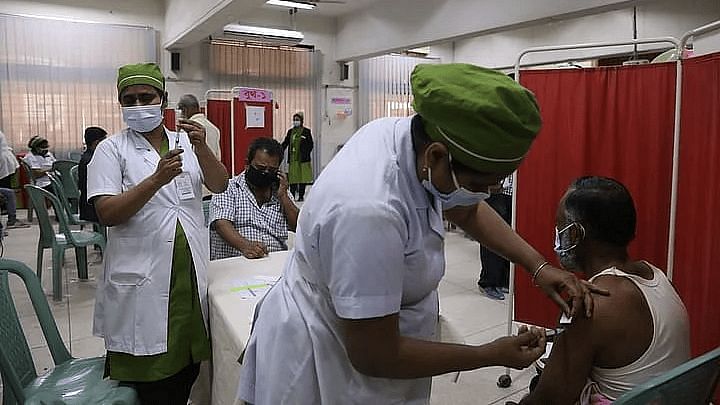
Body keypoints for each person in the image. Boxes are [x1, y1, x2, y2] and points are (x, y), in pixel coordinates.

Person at [238, 63, 604, 404]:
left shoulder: (406, 136)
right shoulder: (368, 211)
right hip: (327, 356)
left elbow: (465, 205)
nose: (488, 193)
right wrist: (489, 354)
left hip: (378, 336)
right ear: (436, 156)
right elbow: (374, 354)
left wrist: (538, 266)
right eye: (480, 182)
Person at [87, 62, 228, 404]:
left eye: (146, 97)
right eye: (129, 99)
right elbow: (106, 213)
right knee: (150, 379)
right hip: (142, 277)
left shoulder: (186, 140)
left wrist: (204, 148)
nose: (138, 106)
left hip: (187, 274)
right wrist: (155, 180)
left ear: (163, 98)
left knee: (187, 367)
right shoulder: (111, 149)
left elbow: (219, 183)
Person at [519, 176, 690, 405]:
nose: (558, 237)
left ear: (575, 235)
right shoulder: (658, 278)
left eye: (560, 228)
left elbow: (547, 400)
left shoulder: (590, 303)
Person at [209, 137, 299, 260]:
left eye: (272, 170)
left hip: (274, 262)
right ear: (247, 164)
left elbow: (298, 227)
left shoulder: (281, 191)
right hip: (236, 261)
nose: (265, 173)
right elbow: (221, 224)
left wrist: (284, 197)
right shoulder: (228, 188)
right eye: (261, 168)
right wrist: (246, 246)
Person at [477, 175, 513, 300]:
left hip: (513, 192)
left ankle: (504, 279)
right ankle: (488, 282)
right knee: (491, 235)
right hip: (496, 189)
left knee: (508, 237)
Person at [0, 129, 29, 229]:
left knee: (6, 190)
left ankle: (9, 217)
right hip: (4, 161)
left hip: (4, 161)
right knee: (6, 190)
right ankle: (9, 217)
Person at [281, 112, 313, 201]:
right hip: (293, 159)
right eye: (294, 120)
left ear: (301, 121)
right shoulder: (290, 131)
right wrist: (279, 149)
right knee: (293, 178)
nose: (295, 121)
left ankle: (301, 196)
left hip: (303, 160)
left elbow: (311, 144)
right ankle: (292, 196)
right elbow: (286, 142)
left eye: (297, 120)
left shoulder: (306, 131)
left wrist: (306, 153)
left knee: (302, 178)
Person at [78, 126, 107, 222]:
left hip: (88, 203)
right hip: (92, 207)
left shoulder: (89, 156)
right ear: (97, 143)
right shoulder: (93, 160)